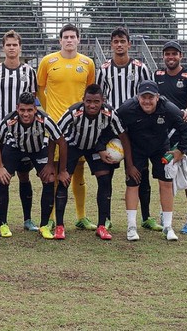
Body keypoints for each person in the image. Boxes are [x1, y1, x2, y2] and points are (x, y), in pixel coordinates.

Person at [95, 26, 157, 231]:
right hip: (111, 127)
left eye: (123, 41)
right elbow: (99, 99)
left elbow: (150, 96)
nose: (119, 45)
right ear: (111, 45)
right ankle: (106, 219)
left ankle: (146, 217)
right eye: (115, 41)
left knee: (141, 172)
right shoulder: (103, 70)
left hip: (136, 127)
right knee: (106, 173)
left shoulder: (141, 68)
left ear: (129, 44)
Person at [115, 80, 187, 241]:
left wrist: (181, 150)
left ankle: (168, 226)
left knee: (166, 183)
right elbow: (113, 124)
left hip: (160, 149)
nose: (147, 101)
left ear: (158, 97)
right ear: (138, 97)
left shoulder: (169, 108)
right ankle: (131, 226)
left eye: (151, 97)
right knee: (133, 183)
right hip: (136, 149)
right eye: (144, 97)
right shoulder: (127, 109)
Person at [37, 23, 96, 231]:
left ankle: (81, 216)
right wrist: (48, 112)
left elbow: (90, 92)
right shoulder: (48, 61)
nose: (69, 40)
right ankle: (51, 217)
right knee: (53, 170)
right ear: (60, 40)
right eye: (66, 37)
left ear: (78, 40)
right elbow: (41, 87)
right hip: (54, 125)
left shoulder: (87, 63)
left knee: (78, 171)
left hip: (79, 125)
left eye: (73, 37)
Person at [55, 84, 131, 240]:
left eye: (96, 101)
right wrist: (57, 167)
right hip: (73, 146)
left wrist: (129, 165)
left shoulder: (109, 113)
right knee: (64, 181)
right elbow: (55, 135)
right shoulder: (74, 112)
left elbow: (123, 136)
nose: (92, 105)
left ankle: (102, 226)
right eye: (88, 101)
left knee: (104, 181)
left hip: (95, 148)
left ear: (102, 100)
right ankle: (60, 226)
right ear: (83, 100)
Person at [0, 30, 39, 231]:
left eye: (15, 45)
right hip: (2, 131)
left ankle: (27, 219)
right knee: (2, 174)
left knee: (25, 176)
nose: (12, 48)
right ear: (3, 47)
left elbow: (31, 98)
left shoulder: (29, 72)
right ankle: (0, 218)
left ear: (20, 47)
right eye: (8, 45)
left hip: (25, 130)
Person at [0, 92, 69, 240]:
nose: (25, 114)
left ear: (35, 109)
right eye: (22, 110)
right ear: (17, 108)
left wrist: (58, 168)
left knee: (49, 178)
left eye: (29, 110)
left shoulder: (45, 120)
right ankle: (3, 223)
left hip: (38, 149)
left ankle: (43, 225)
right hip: (14, 148)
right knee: (3, 179)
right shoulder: (9, 121)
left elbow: (62, 142)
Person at [155, 40, 187, 234]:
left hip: (184, 132)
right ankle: (165, 215)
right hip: (163, 134)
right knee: (164, 173)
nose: (171, 57)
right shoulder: (157, 76)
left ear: (181, 56)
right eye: (167, 54)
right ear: (163, 56)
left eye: (174, 54)